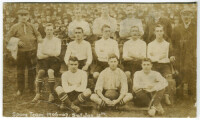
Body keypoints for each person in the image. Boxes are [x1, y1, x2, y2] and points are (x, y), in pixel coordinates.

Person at [6, 9, 42, 96]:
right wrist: (16, 41)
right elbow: (7, 38)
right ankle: (20, 89)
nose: (24, 17)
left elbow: (37, 34)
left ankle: (31, 88)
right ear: (18, 16)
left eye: (25, 15)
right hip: (21, 53)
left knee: (32, 71)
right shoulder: (14, 27)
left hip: (32, 52)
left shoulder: (31, 25)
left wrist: (39, 39)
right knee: (20, 71)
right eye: (21, 15)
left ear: (28, 16)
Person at [32, 23, 61, 102]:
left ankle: (51, 94)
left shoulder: (57, 40)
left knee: (50, 71)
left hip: (54, 61)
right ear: (45, 31)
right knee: (41, 72)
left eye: (51, 30)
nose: (49, 32)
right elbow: (39, 55)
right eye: (47, 30)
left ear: (53, 30)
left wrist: (45, 52)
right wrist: (50, 53)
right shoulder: (41, 41)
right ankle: (38, 94)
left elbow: (57, 53)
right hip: (44, 61)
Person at [147, 24, 176, 105]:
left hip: (165, 65)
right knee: (152, 78)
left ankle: (166, 96)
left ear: (163, 32)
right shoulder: (150, 44)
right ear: (154, 32)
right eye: (157, 31)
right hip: (154, 65)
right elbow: (149, 58)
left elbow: (170, 56)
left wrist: (156, 56)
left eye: (161, 31)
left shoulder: (167, 44)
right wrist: (160, 56)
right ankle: (154, 98)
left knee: (169, 78)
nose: (159, 33)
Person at [171, 8, 197, 99]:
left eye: (188, 15)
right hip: (180, 54)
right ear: (181, 17)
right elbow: (173, 43)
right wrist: (173, 54)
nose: (186, 17)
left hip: (192, 53)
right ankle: (180, 93)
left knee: (191, 70)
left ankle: (192, 93)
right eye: (184, 15)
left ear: (191, 16)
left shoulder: (196, 27)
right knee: (179, 70)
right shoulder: (177, 28)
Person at [122, 26, 146, 92]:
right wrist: (137, 57)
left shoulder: (142, 43)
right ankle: (129, 91)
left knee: (137, 74)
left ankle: (136, 92)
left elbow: (143, 57)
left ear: (138, 33)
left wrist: (132, 55)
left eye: (136, 31)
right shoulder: (126, 43)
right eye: (133, 31)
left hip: (139, 64)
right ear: (130, 33)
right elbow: (125, 57)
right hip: (128, 63)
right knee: (127, 74)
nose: (134, 33)